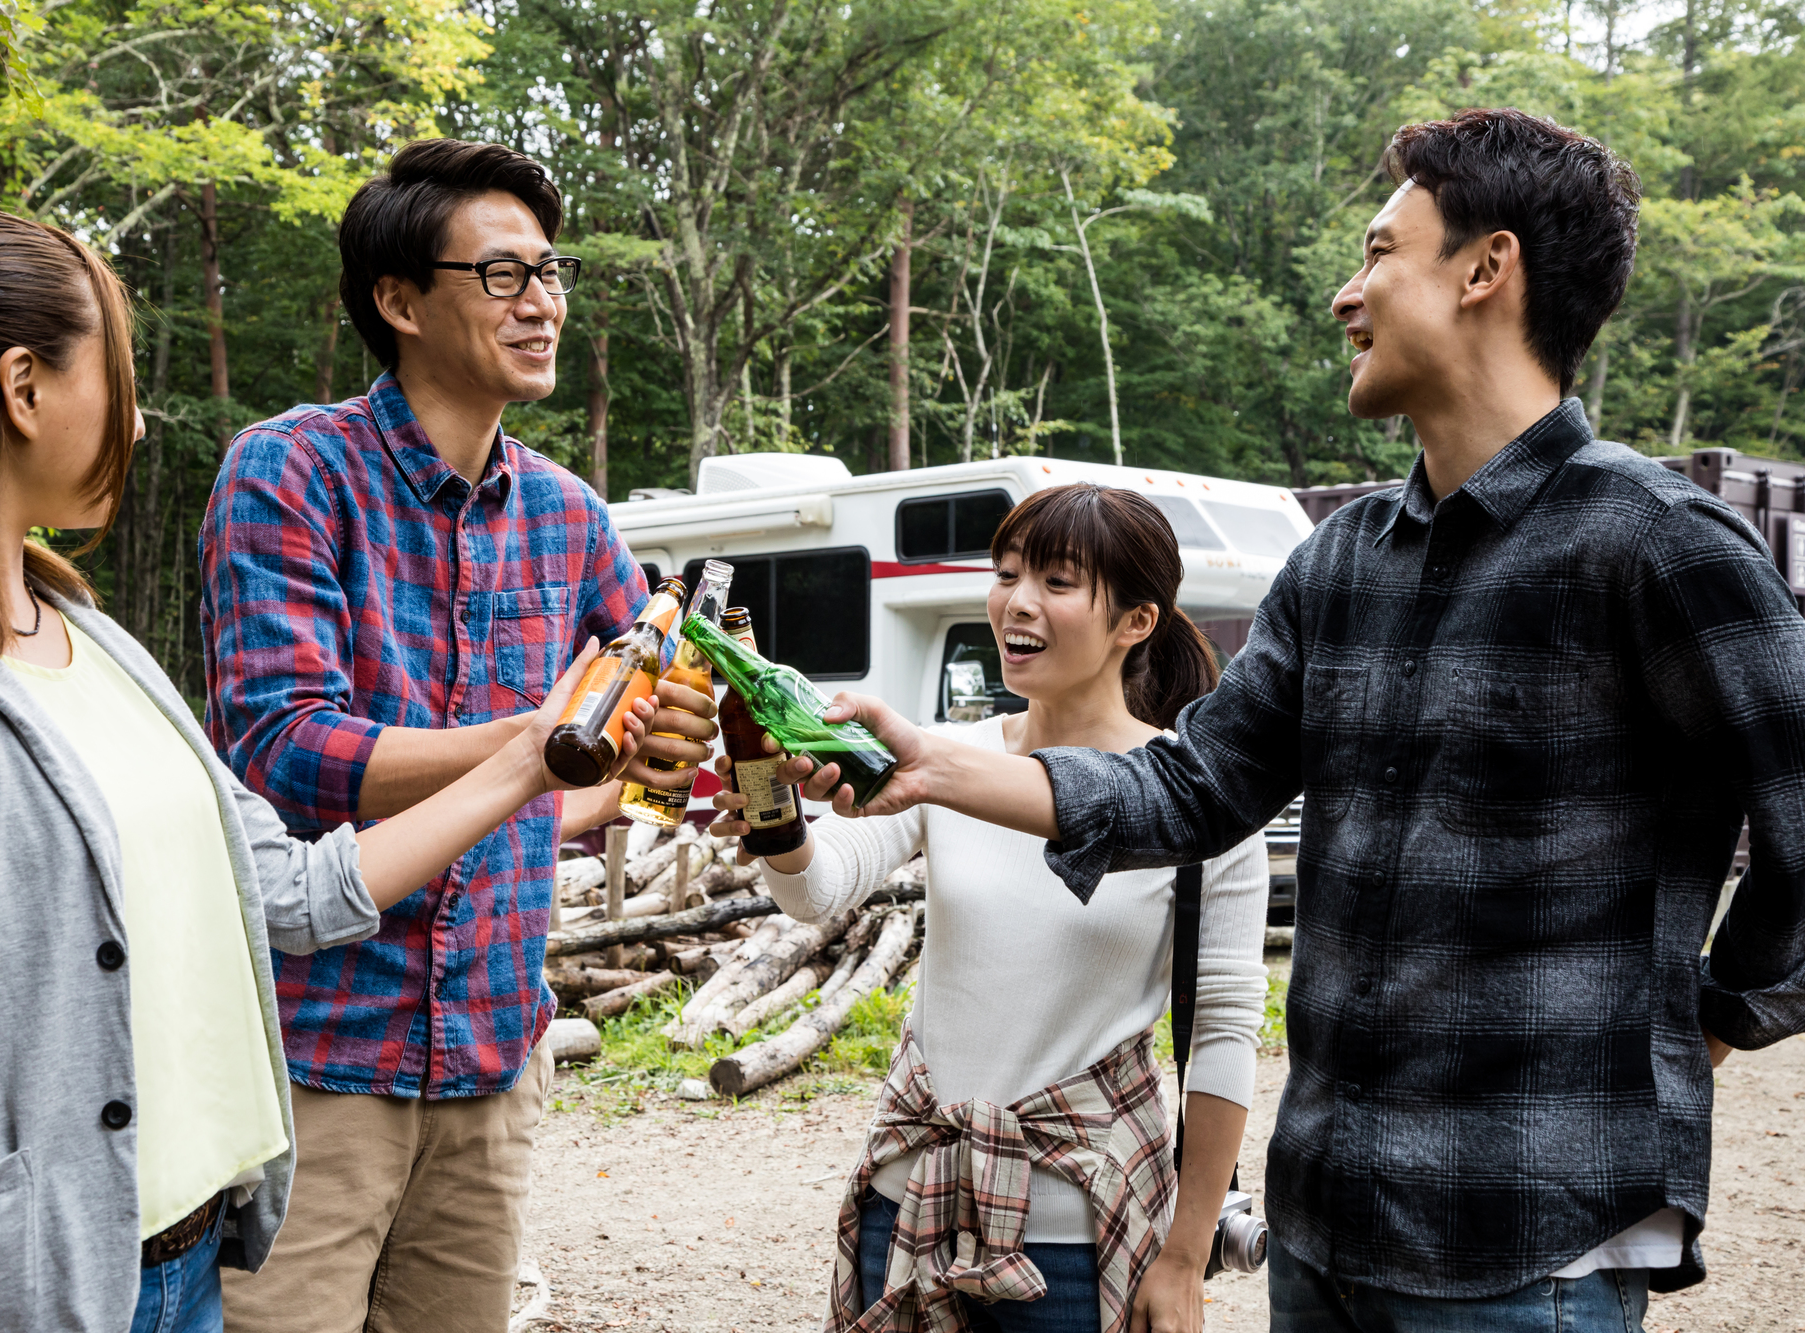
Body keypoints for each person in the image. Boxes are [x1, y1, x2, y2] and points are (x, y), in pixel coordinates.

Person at [766, 109, 1805, 1329]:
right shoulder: (1339, 561)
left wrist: (1707, 1020)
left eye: (1378, 253)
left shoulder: (1656, 545)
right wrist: (930, 763)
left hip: (1529, 1244)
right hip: (1322, 1230)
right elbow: (1187, 788)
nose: (1344, 295)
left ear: (1486, 269)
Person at [0, 207, 654, 1333]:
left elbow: (289, 891)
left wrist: (543, 762)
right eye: (117, 377)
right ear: (22, 389)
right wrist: (522, 743)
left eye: (552, 269)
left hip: (188, 1261)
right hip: (21, 1285)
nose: (137, 420)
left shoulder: (94, 643)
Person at [199, 138, 716, 1332]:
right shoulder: (291, 469)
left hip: (491, 1056)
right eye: (501, 274)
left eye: (551, 271)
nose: (542, 302)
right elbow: (286, 746)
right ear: (399, 301)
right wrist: (530, 744)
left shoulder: (569, 514)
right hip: (315, 1054)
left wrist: (670, 747)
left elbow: (633, 741)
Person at [714, 483, 1267, 1333]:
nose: (1017, 600)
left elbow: (1226, 1032)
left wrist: (1187, 1253)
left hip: (1080, 1234)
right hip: (909, 1203)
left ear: (1136, 621)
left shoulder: (1196, 801)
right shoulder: (951, 755)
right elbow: (817, 890)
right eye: (1006, 573)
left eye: (1056, 581)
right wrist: (776, 820)